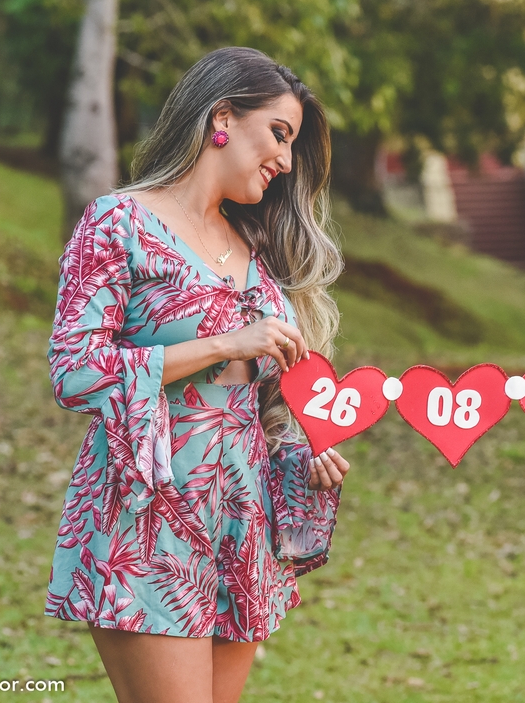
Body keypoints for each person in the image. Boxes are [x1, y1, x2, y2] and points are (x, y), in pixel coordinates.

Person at [45, 47, 351, 703]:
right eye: (279, 133)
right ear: (222, 116)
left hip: (242, 522)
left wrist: (304, 446)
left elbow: (259, 396)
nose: (287, 161)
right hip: (148, 517)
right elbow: (74, 371)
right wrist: (223, 342)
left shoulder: (255, 245)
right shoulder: (119, 223)